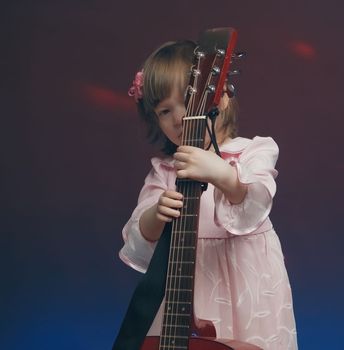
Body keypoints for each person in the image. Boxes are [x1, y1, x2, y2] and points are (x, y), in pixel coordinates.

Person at [119, 40, 297, 350]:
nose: (178, 118)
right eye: (164, 111)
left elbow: (254, 200)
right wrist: (156, 214)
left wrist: (221, 173)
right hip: (186, 285)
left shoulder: (254, 152)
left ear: (221, 98)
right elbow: (139, 238)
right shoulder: (165, 171)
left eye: (188, 103)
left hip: (248, 285)